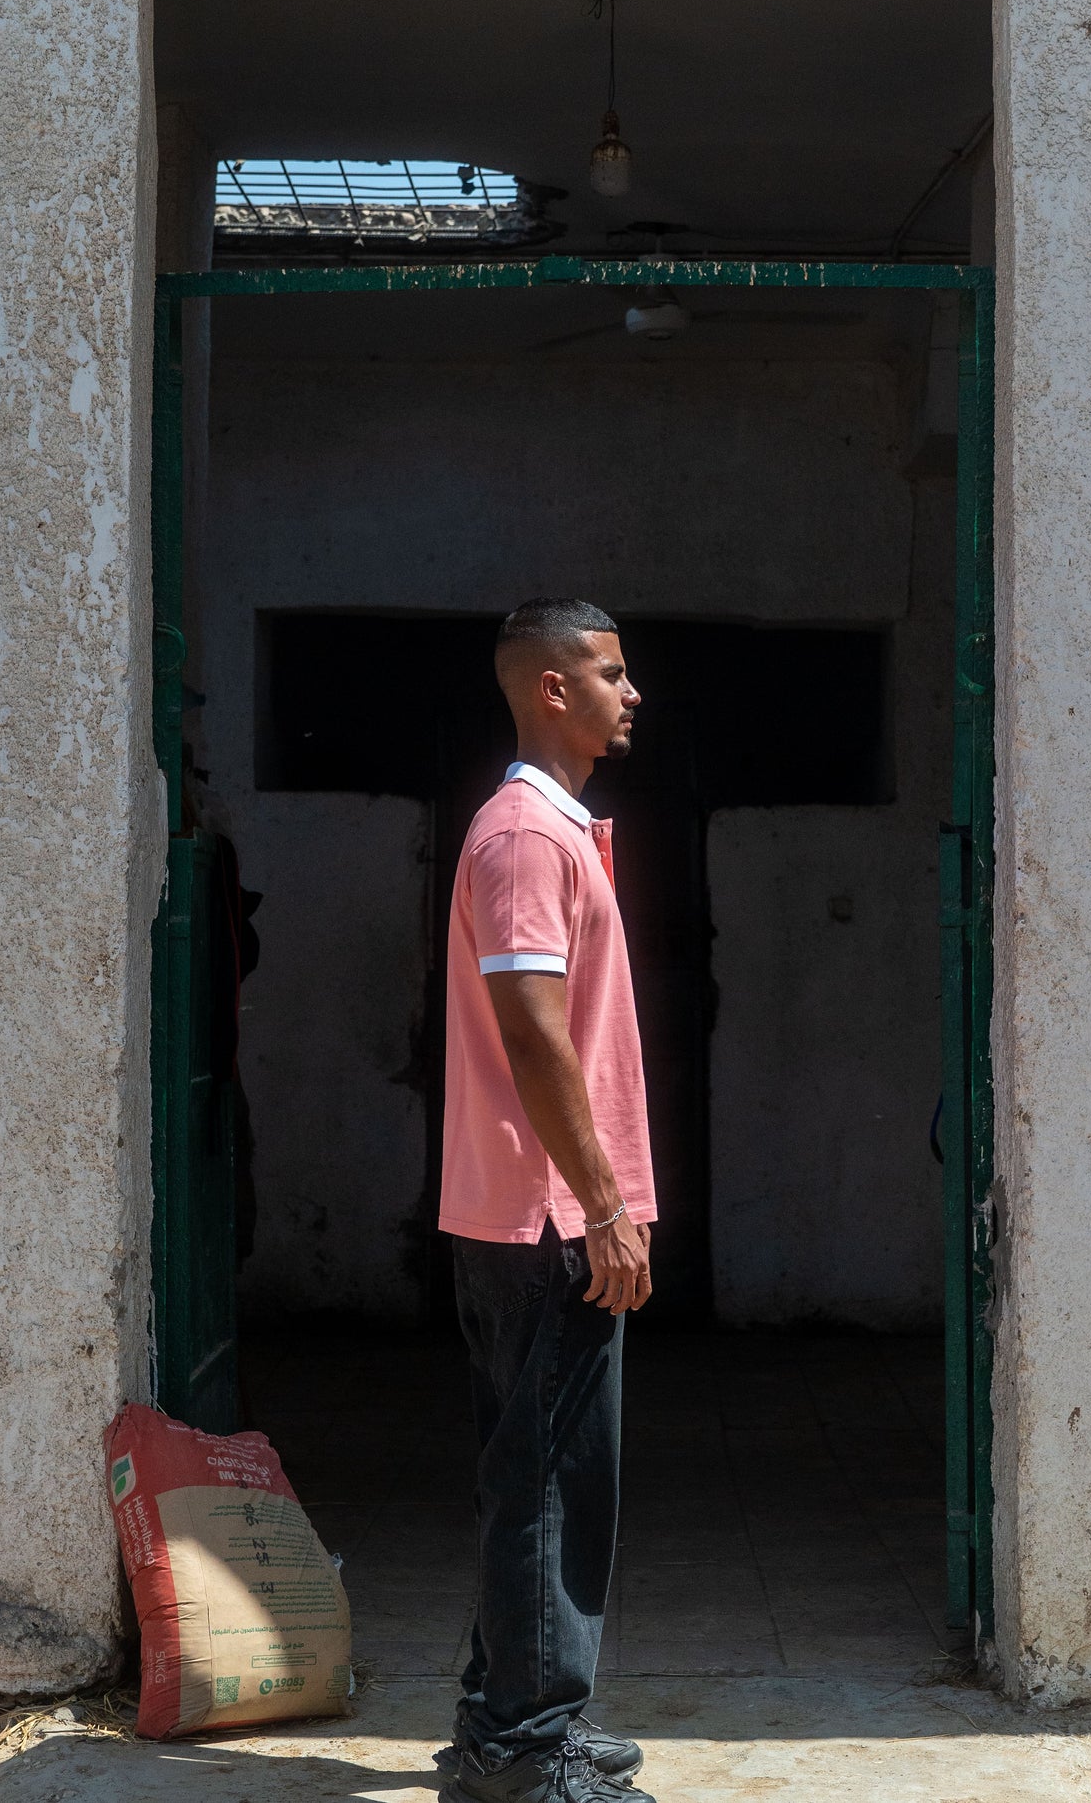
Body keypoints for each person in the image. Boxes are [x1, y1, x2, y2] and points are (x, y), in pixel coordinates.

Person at [438, 599, 658, 1803]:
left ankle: (501, 1721)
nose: (633, 692)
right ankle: (524, 1750)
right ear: (550, 689)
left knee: (531, 1472)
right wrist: (603, 1205)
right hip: (544, 1218)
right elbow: (531, 1030)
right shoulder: (526, 835)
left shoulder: (552, 828)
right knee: (551, 1485)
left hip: (532, 1210)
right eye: (611, 672)